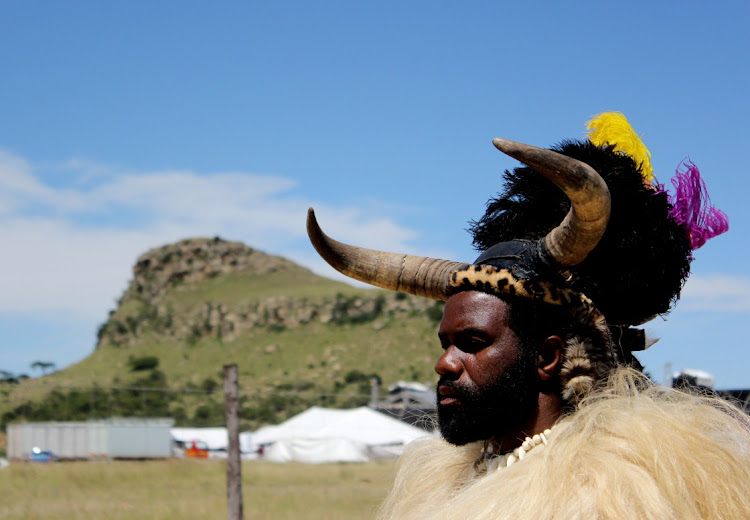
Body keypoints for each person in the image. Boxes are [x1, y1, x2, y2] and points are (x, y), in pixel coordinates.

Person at [306, 113, 750, 519]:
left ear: (548, 357)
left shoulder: (616, 497)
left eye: (474, 343)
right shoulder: (437, 483)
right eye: (447, 343)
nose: (445, 363)